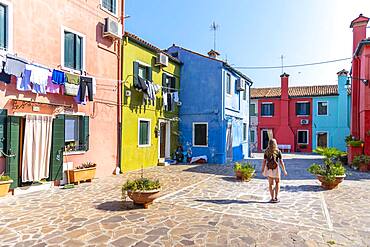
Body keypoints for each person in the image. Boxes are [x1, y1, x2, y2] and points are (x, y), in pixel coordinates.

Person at [261, 139, 288, 203]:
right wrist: (284, 170)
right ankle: (276, 197)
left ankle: (272, 198)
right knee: (277, 183)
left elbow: (264, 161)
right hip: (276, 169)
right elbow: (281, 162)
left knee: (270, 184)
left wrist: (262, 169)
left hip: (269, 169)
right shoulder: (278, 151)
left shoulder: (266, 151)